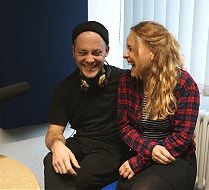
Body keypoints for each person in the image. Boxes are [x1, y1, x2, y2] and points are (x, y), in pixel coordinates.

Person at [43, 21, 129, 190]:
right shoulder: (63, 89)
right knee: (50, 160)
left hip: (113, 148)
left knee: (82, 178)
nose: (90, 59)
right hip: (82, 142)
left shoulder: (126, 80)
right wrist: (57, 145)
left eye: (96, 53)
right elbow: (53, 133)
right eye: (83, 52)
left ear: (106, 51)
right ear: (73, 52)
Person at [116, 21, 200, 190]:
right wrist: (149, 150)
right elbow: (123, 126)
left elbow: (181, 139)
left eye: (131, 49)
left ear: (152, 52)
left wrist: (141, 160)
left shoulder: (185, 84)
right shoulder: (127, 81)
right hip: (141, 152)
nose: (126, 55)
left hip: (174, 159)